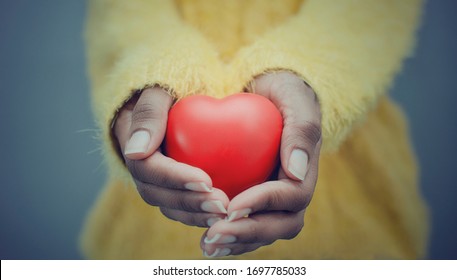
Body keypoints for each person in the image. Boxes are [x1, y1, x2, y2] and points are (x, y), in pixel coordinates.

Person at [80, 0, 429, 259]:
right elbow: (121, 14)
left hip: (350, 219)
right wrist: (153, 75)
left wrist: (304, 72)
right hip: (150, 240)